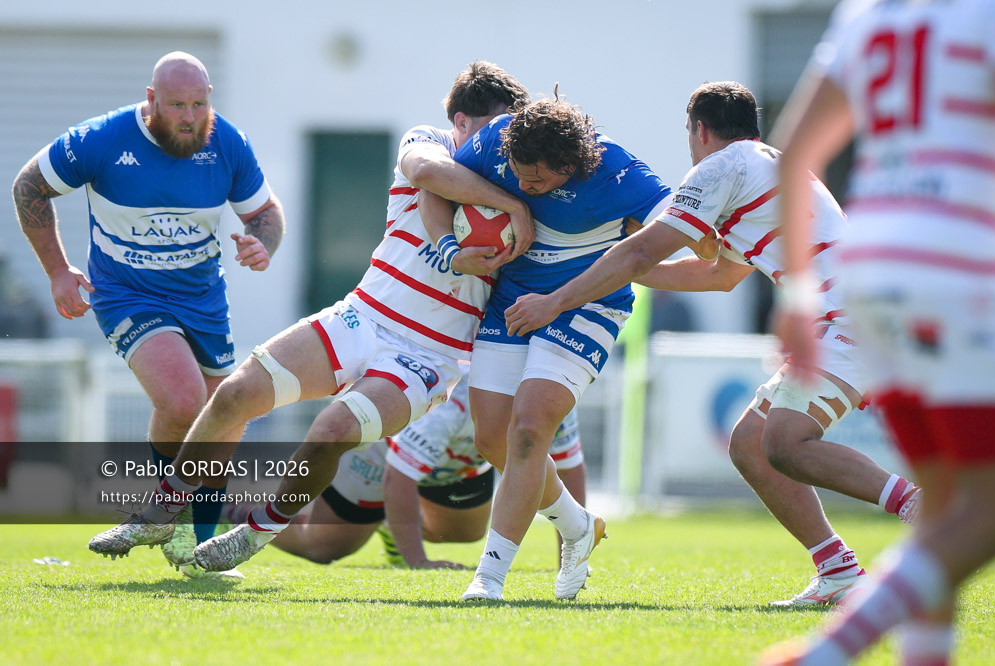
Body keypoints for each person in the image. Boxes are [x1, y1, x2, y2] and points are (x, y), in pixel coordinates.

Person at [87, 62, 601, 582]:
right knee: (234, 394)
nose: (498, 149)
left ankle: (253, 534)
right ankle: (161, 511)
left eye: (506, 136)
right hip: (361, 315)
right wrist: (508, 206)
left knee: (331, 431)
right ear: (460, 121)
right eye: (489, 131)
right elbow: (425, 173)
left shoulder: (527, 187)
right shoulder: (430, 144)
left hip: (429, 356)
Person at [504, 81, 922, 607]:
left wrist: (557, 299)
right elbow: (719, 275)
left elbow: (640, 254)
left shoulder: (722, 169)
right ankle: (837, 570)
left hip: (849, 318)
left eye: (689, 135)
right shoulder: (760, 168)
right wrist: (607, 269)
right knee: (750, 443)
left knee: (784, 442)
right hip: (841, 318)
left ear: (699, 130)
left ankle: (920, 507)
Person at [760, 1, 995, 664]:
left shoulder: (867, 12)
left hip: (867, 269)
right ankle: (830, 652)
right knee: (986, 509)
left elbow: (795, 154)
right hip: (959, 265)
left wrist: (799, 296)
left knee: (942, 506)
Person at [11, 51, 285, 578]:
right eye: (177, 104)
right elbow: (29, 186)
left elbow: (265, 212)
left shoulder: (227, 141)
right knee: (183, 399)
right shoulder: (102, 139)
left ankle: (196, 551)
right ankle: (163, 515)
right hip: (127, 292)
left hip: (203, 296)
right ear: (151, 99)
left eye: (199, 104)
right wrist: (58, 271)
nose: (188, 116)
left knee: (222, 414)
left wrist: (261, 243)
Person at [420, 96, 675, 601]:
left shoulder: (619, 172)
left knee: (531, 428)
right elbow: (432, 183)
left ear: (571, 165)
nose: (524, 185)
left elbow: (677, 227)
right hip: (514, 303)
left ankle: (488, 578)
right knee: (495, 440)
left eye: (536, 181)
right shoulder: (497, 138)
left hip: (588, 307)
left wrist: (718, 245)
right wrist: (451, 251)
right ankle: (578, 525)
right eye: (517, 174)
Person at [259, 366, 588, 569]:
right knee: (322, 547)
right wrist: (418, 561)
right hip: (383, 453)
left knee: (465, 533)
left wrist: (570, 562)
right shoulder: (453, 407)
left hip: (454, 462)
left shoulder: (549, 393)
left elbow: (569, 468)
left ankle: (393, 524)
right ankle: (238, 513)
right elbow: (399, 473)